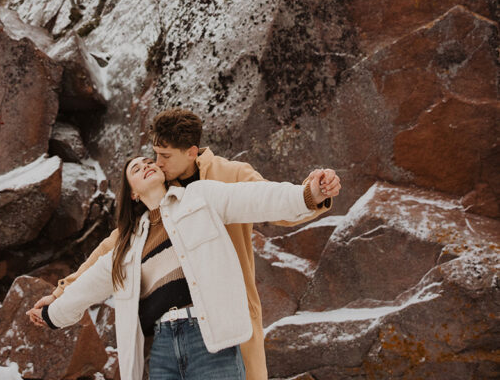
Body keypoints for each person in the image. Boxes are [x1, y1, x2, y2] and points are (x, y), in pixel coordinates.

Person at [28, 108, 341, 379]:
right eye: (152, 157)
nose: (156, 163)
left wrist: (310, 193)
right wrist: (60, 294)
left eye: (164, 157)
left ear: (191, 152)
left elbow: (264, 200)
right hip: (164, 340)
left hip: (222, 318)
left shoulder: (216, 183)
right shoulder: (139, 229)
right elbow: (106, 257)